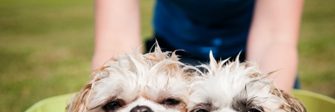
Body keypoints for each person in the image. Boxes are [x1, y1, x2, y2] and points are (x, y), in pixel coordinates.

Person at [92, 0, 304, 92]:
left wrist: (269, 105)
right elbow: (116, 39)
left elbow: (275, 38)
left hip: (254, 60)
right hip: (171, 56)